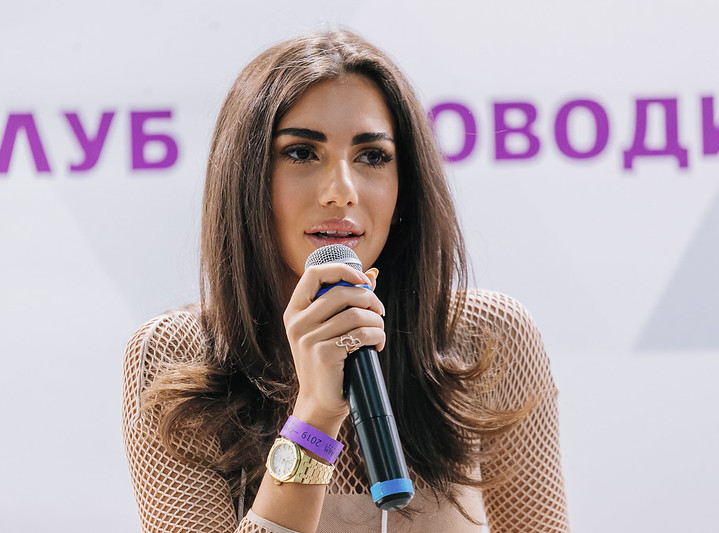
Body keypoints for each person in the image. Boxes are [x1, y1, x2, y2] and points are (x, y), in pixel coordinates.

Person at [121, 29, 569, 533]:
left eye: (372, 156)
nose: (341, 191)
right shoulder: (175, 357)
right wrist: (314, 418)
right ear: (247, 178)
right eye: (301, 153)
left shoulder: (487, 335)